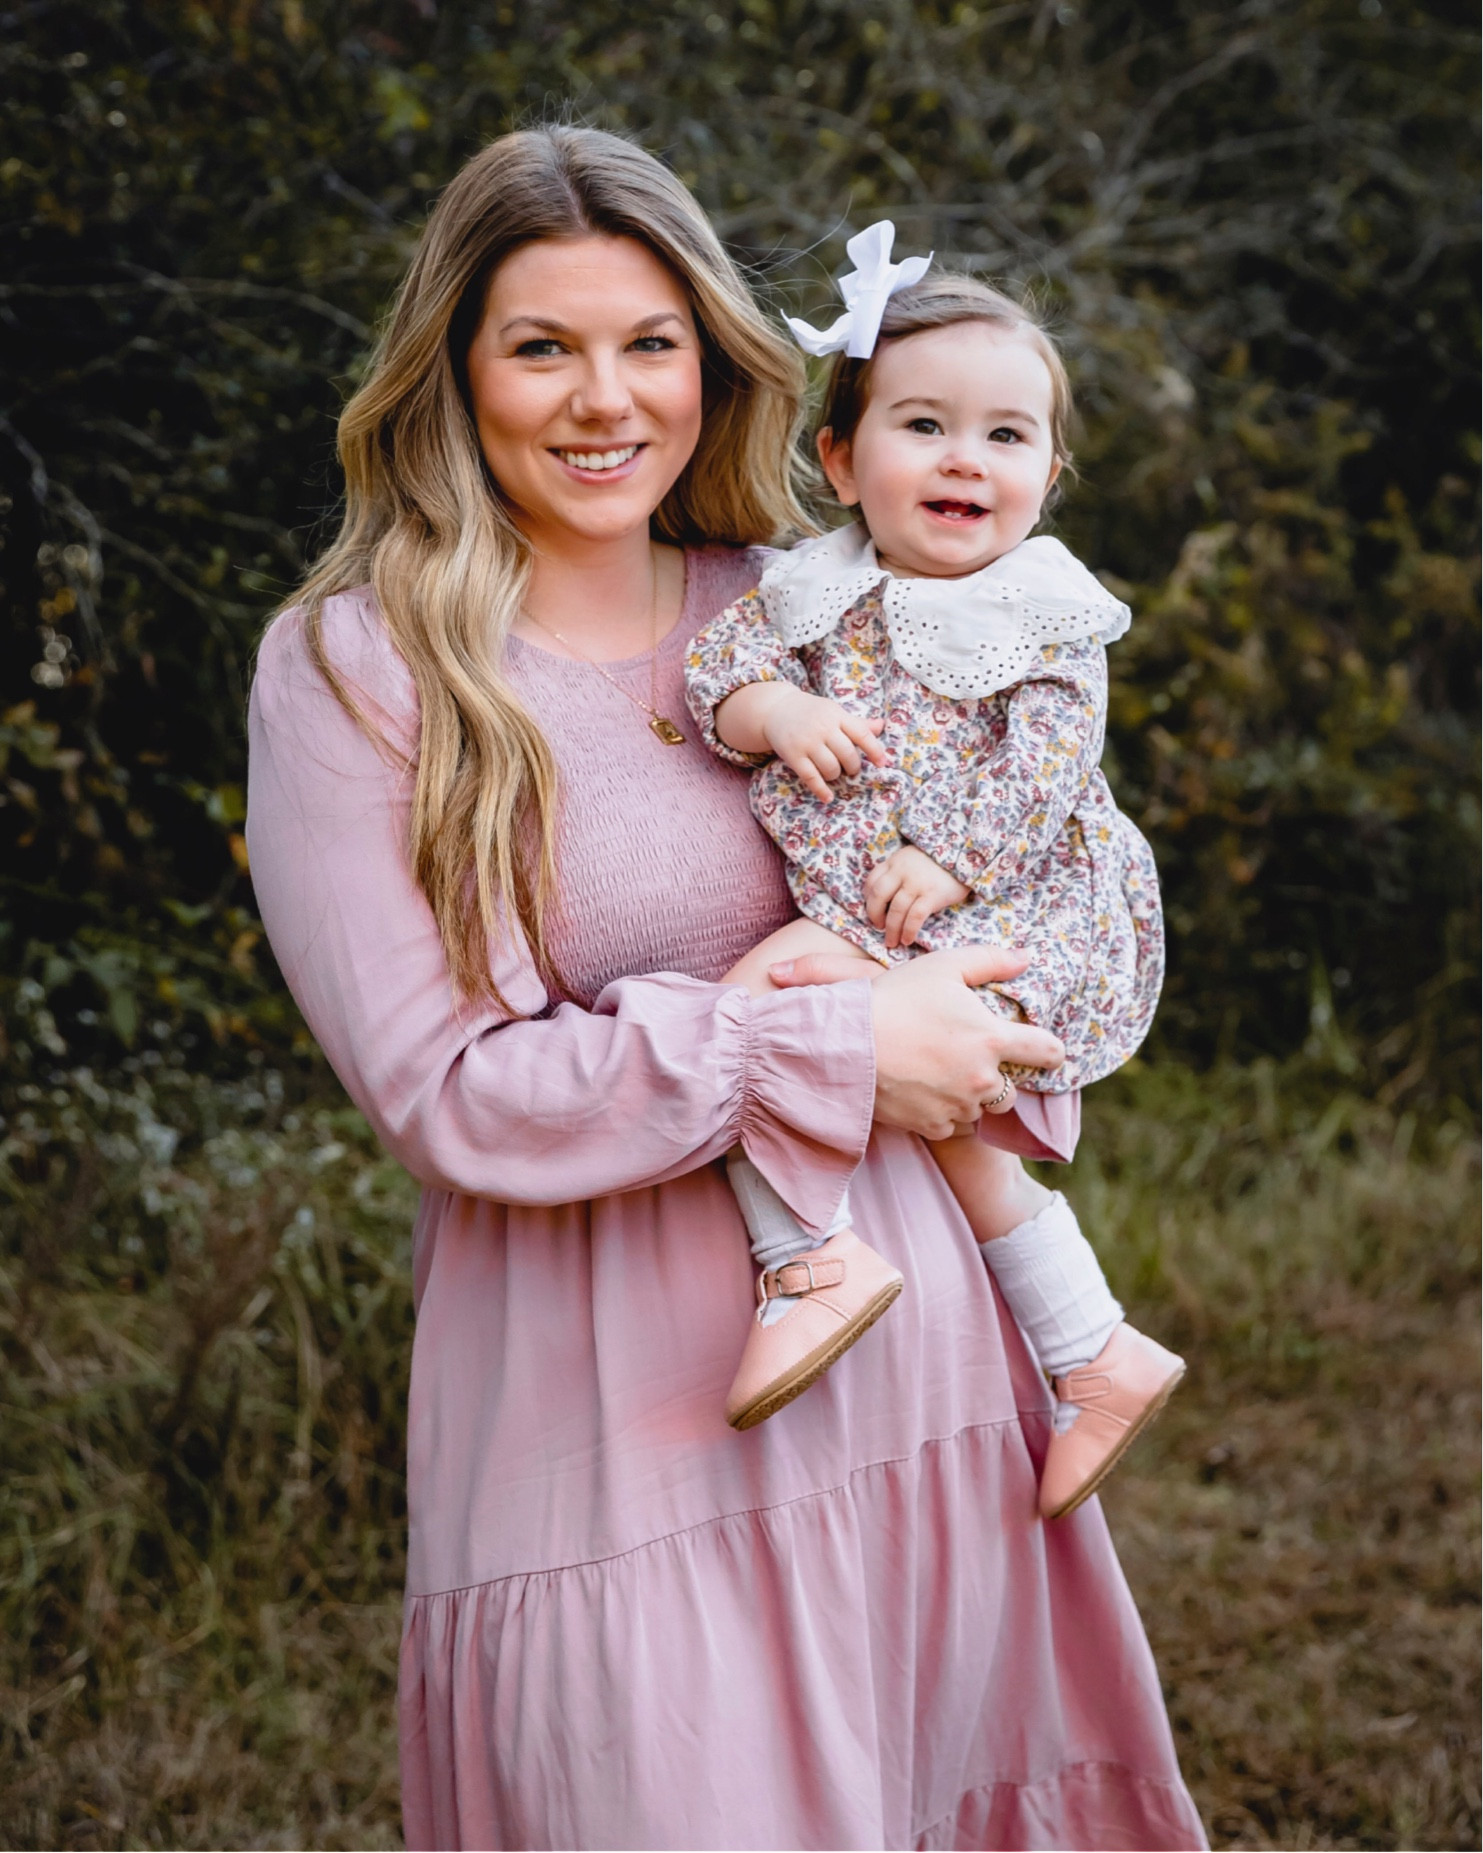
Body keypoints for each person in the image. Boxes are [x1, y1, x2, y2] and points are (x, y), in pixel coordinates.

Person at [246, 123, 1207, 1850]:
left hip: (915, 1368)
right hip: (610, 1417)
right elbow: (447, 1091)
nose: (604, 398)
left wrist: (967, 1007)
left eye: (651, 342)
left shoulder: (810, 598)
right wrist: (823, 1038)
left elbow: (1041, 863)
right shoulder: (361, 668)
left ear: (715, 360)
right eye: (542, 346)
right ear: (453, 372)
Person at [684, 225, 1184, 1520]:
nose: (967, 457)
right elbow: (714, 676)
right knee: (940, 1129)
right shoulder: (810, 587)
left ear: (1048, 475)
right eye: (924, 425)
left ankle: (809, 1256)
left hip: (1015, 906)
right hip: (884, 906)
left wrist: (948, 856)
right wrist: (777, 715)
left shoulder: (1041, 609)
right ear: (842, 460)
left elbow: (1052, 762)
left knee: (756, 1003)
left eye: (1006, 435)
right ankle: (1092, 1347)